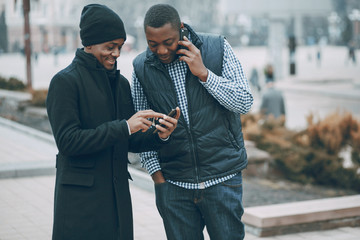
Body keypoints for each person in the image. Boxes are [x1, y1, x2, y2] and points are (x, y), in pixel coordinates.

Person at [46, 4, 179, 240]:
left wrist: (160, 134)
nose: (116, 53)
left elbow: (130, 140)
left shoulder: (121, 84)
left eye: (119, 46)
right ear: (89, 43)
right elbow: (68, 142)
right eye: (110, 47)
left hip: (117, 199)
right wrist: (125, 126)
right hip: (80, 203)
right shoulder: (65, 82)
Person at [131, 4, 253, 240]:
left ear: (182, 30)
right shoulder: (141, 68)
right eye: (153, 44)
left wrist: (204, 74)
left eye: (168, 42)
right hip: (175, 187)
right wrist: (159, 180)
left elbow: (244, 102)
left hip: (222, 180)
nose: (162, 51)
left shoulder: (217, 48)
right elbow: (141, 131)